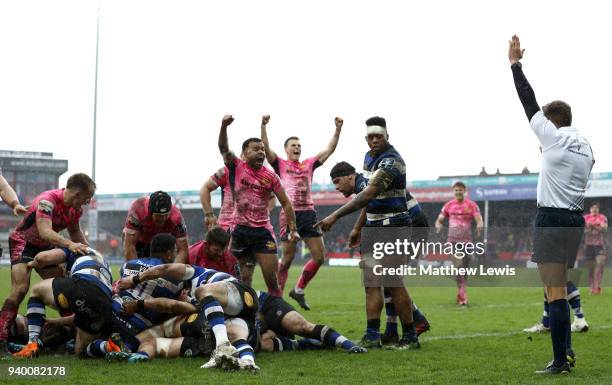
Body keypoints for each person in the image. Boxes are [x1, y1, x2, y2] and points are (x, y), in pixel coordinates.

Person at [509, 35, 594, 374]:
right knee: (559, 287)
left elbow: (528, 101)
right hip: (575, 220)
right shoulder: (586, 146)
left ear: (552, 120)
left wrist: (515, 64)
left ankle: (561, 361)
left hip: (552, 218)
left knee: (553, 291)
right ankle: (566, 354)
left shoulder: (553, 135)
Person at [315, 116, 420, 349]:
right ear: (366, 138)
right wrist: (358, 228)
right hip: (373, 228)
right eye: (370, 137)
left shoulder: (392, 162)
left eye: (378, 136)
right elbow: (369, 203)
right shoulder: (369, 157)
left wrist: (335, 215)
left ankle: (410, 336)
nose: (374, 140)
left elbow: (369, 193)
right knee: (371, 283)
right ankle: (372, 335)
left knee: (393, 282)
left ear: (387, 136)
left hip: (394, 226)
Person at [328, 161, 431, 342]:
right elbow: (369, 204)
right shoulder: (366, 183)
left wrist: (344, 222)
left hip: (411, 225)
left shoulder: (363, 183)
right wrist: (357, 229)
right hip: (414, 223)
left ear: (350, 177)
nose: (336, 187)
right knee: (387, 278)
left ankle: (415, 321)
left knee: (389, 278)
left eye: (338, 181)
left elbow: (366, 201)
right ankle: (394, 329)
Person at [0, 173, 95, 353]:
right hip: (24, 243)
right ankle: (1, 338)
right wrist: (69, 245)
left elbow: (76, 234)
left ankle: (73, 334)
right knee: (20, 289)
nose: (86, 203)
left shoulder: (75, 210)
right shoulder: (47, 201)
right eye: (86, 199)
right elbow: (45, 232)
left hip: (45, 247)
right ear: (77, 194)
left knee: (63, 288)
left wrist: (91, 254)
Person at [261, 115, 343, 310]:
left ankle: (298, 290)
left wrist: (338, 129)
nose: (297, 148)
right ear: (286, 149)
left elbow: (329, 150)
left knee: (320, 257)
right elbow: (265, 147)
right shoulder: (280, 164)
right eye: (293, 145)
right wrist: (263, 126)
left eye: (299, 145)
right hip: (290, 215)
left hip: (309, 214)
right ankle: (276, 298)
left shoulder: (309, 164)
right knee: (287, 259)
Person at [117, 263, 260, 371]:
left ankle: (222, 346)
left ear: (184, 288)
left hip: (240, 292)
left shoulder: (195, 274)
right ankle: (248, 362)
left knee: (202, 291)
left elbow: (164, 268)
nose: (181, 297)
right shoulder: (201, 304)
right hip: (239, 317)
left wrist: (134, 280)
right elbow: (174, 306)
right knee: (235, 335)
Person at [217, 114, 300, 295]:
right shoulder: (236, 166)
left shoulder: (270, 176)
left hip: (263, 232)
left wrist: (293, 228)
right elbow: (223, 147)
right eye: (256, 149)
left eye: (263, 149)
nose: (261, 152)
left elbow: (286, 203)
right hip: (239, 230)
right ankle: (246, 317)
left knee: (272, 281)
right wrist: (224, 126)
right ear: (245, 153)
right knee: (242, 280)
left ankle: (277, 319)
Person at [256, 290, 366, 353]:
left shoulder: (241, 291)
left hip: (265, 304)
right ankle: (304, 344)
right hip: (254, 321)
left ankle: (351, 346)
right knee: (264, 344)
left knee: (301, 326)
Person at [434, 181, 483, 305]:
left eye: (460, 190)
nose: (458, 192)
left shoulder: (472, 205)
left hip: (467, 242)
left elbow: (479, 220)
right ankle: (463, 297)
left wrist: (479, 226)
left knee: (463, 270)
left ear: (464, 191)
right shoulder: (448, 205)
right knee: (459, 263)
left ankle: (460, 291)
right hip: (452, 242)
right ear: (453, 191)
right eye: (456, 190)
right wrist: (438, 225)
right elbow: (439, 220)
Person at [123, 191, 189, 262]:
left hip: (160, 244)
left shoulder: (176, 217)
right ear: (150, 212)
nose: (162, 219)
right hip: (140, 242)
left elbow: (183, 249)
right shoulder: (138, 210)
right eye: (159, 216)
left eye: (166, 215)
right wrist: (134, 269)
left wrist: (174, 270)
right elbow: (130, 244)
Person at [200, 167, 234, 232]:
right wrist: (209, 216)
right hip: (227, 229)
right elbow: (205, 189)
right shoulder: (226, 171)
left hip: (255, 229)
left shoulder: (259, 173)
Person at [583, 202, 607, 294]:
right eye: (593, 208)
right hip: (588, 245)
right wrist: (594, 227)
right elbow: (584, 231)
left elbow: (604, 229)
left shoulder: (602, 217)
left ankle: (597, 286)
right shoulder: (586, 218)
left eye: (596, 208)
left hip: (599, 245)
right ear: (590, 209)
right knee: (590, 268)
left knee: (600, 264)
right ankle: (591, 287)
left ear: (598, 209)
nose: (594, 209)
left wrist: (593, 227)